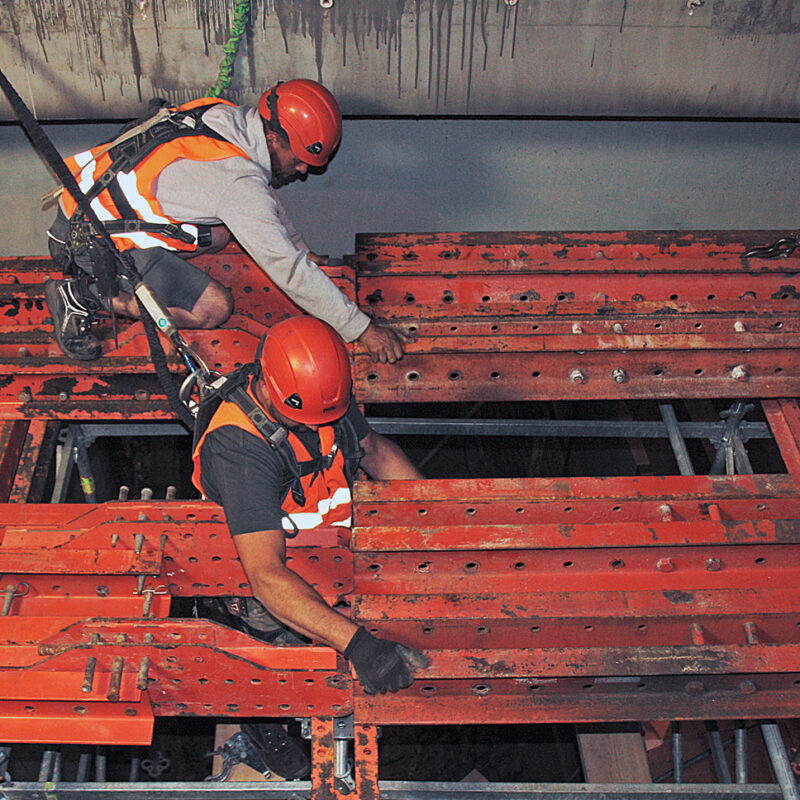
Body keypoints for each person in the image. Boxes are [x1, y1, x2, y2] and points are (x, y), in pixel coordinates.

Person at [43, 78, 407, 364]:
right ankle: (83, 296)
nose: (301, 171)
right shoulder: (238, 184)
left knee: (220, 233)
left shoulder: (226, 117)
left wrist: (301, 248)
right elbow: (289, 272)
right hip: (90, 240)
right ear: (272, 136)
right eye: (298, 161)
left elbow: (261, 195)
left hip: (85, 204)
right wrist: (360, 330)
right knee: (213, 308)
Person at [191, 315, 429, 694]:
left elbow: (378, 454)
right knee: (290, 684)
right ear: (270, 386)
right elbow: (266, 576)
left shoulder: (320, 394)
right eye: (303, 420)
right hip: (276, 586)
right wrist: (360, 647)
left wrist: (432, 515)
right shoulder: (239, 448)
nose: (319, 426)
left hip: (334, 555)